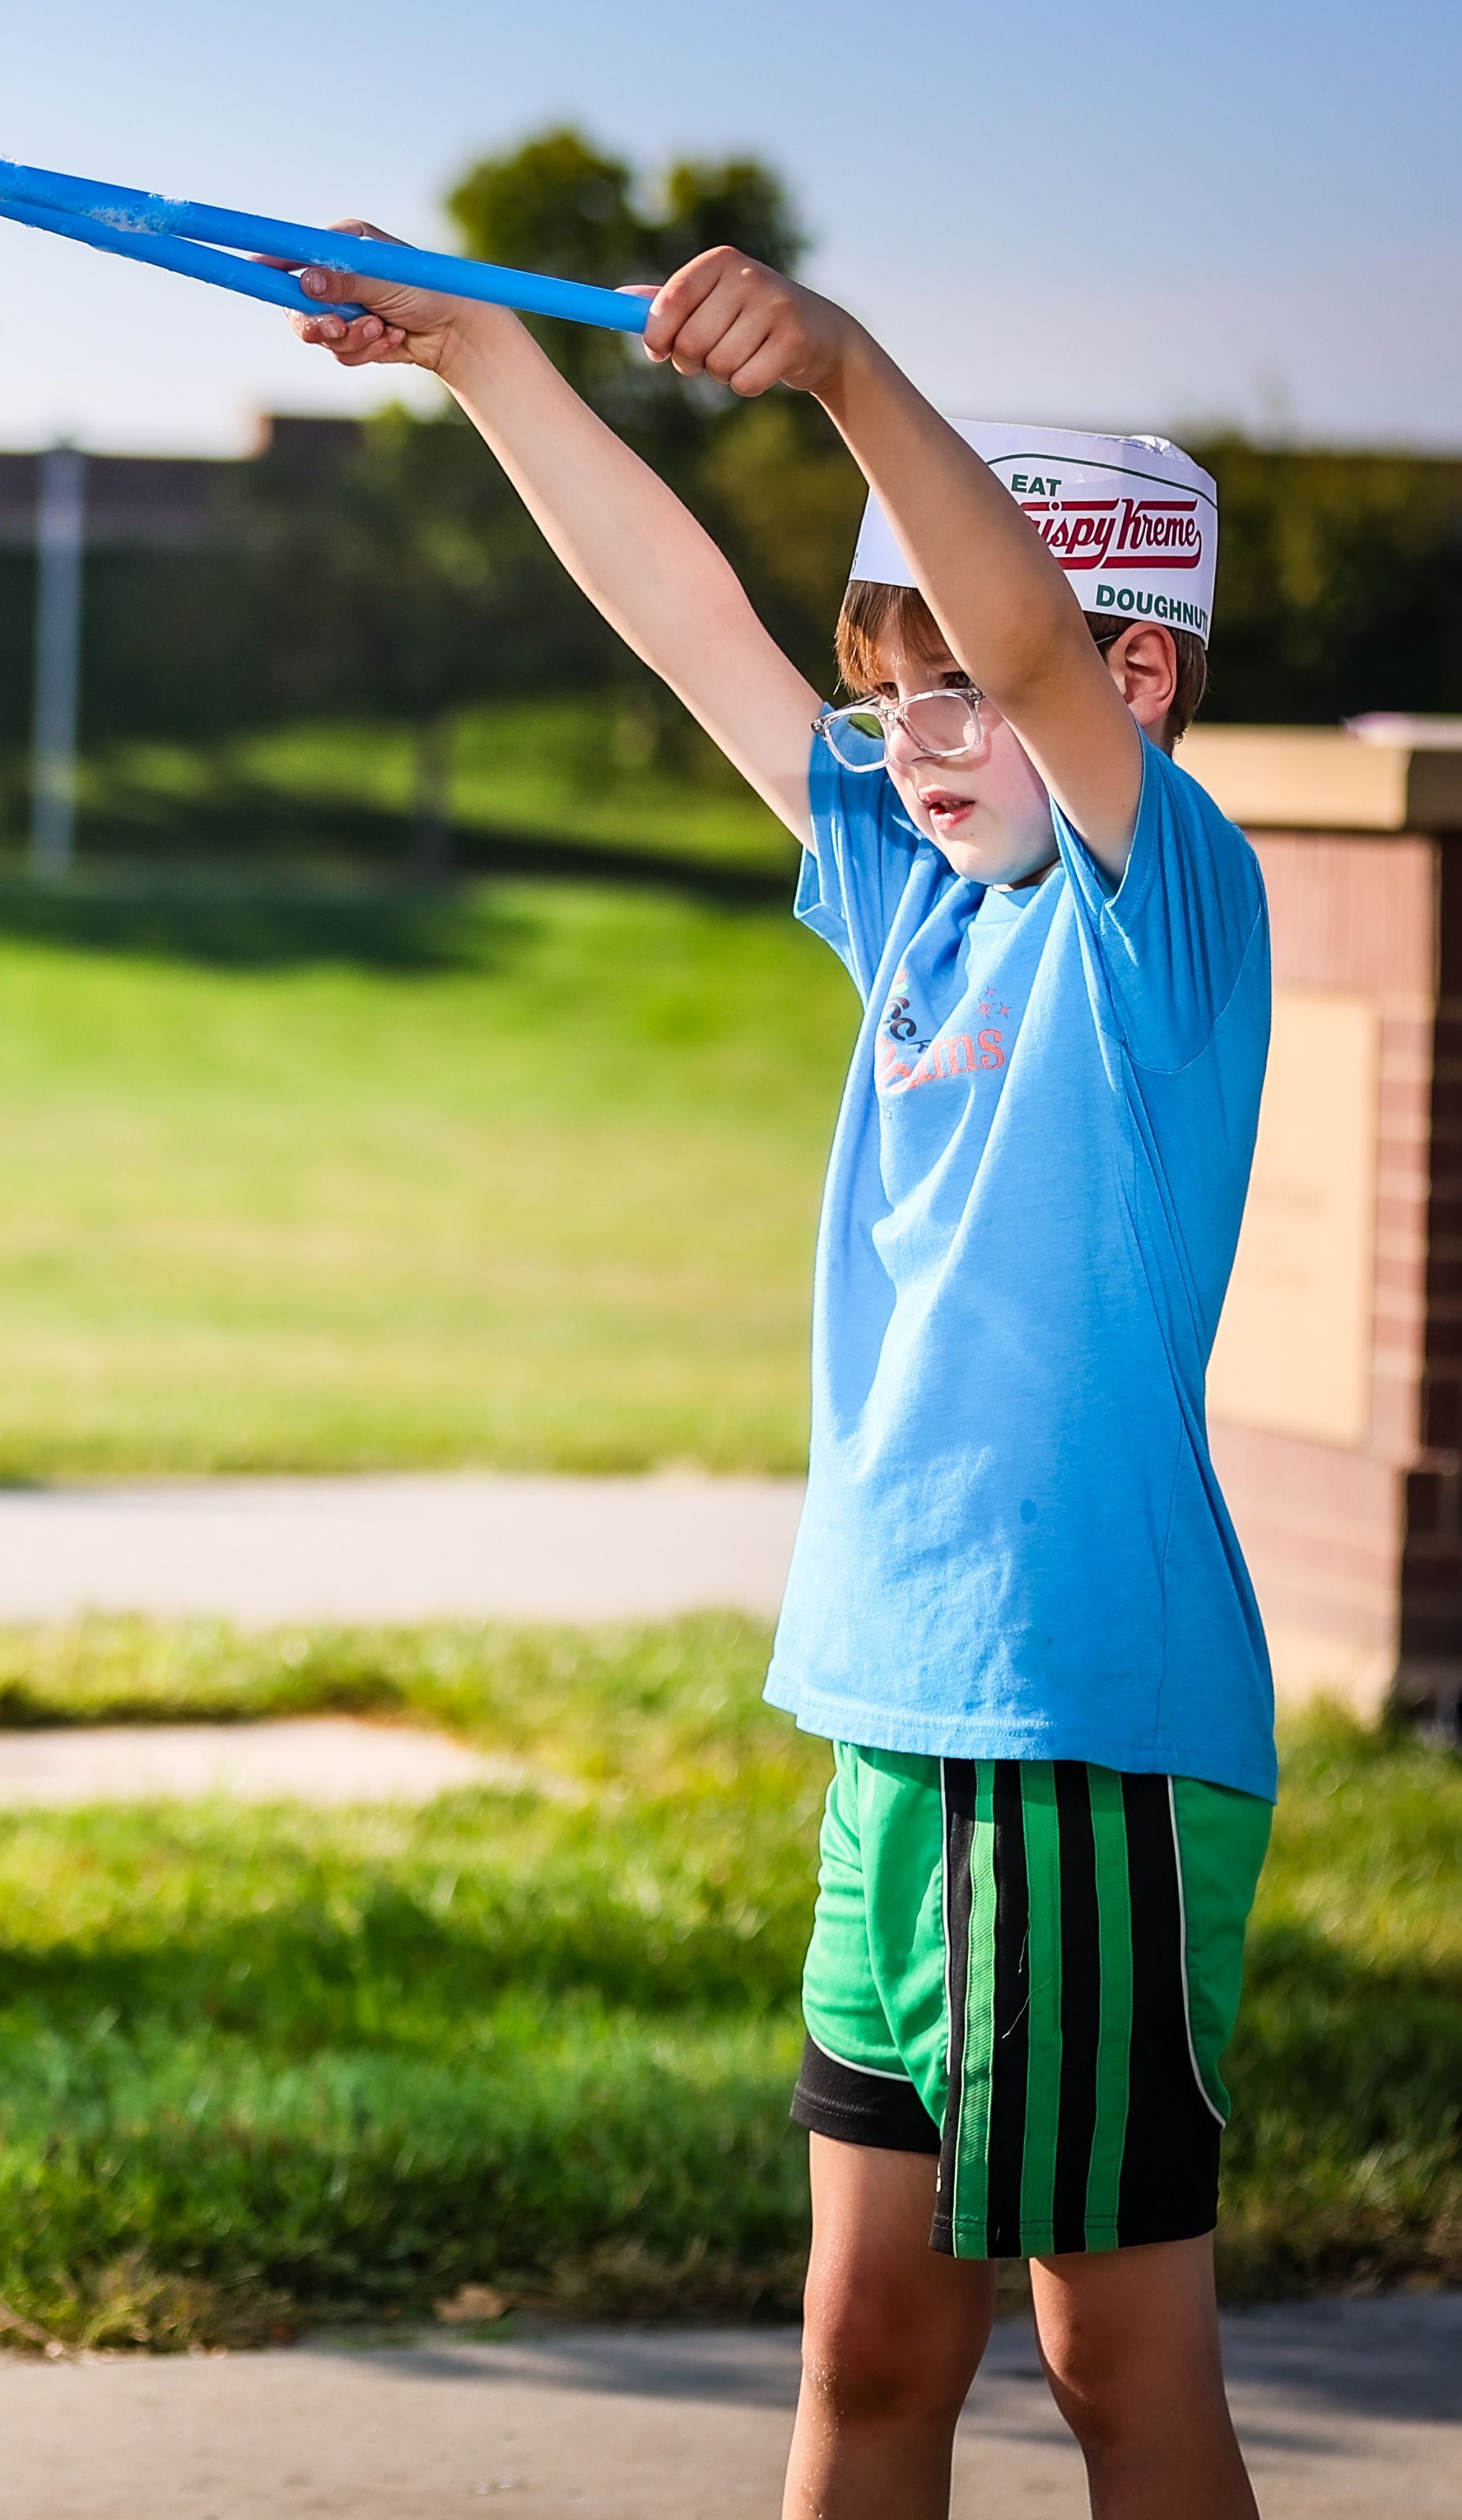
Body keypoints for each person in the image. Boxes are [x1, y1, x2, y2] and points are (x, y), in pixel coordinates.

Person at [291, 239, 1275, 2520]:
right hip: (898, 1716)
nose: (910, 747)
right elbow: (690, 629)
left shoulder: (1157, 910)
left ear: (1132, 676)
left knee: (1113, 2369)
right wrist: (484, 363)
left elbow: (1027, 653)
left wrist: (837, 369)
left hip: (1077, 1735)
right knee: (862, 2350)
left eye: (954, 697)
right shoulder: (916, 900)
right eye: (885, 700)